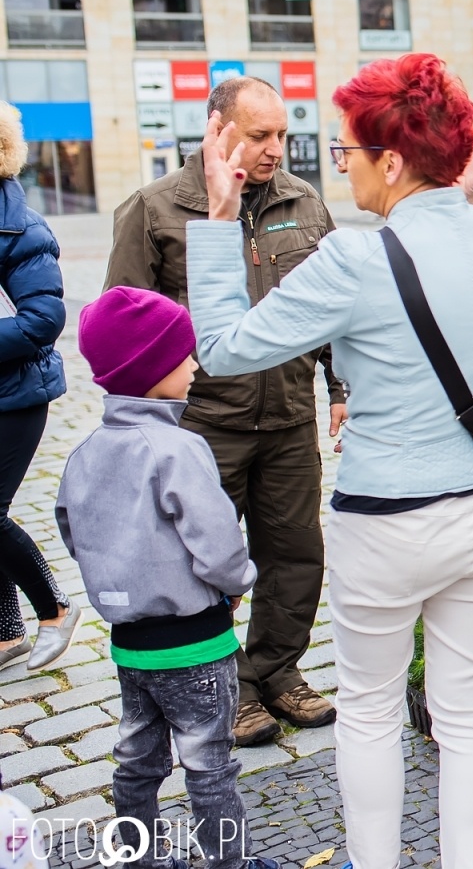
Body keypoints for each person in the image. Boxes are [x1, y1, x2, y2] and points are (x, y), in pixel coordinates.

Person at [185, 53, 473, 869]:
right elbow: (450, 245)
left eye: (345, 153)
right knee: (464, 710)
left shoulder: (354, 261)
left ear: (390, 161)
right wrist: (456, 198)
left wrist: (214, 216)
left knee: (374, 712)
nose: (339, 169)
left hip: (388, 526)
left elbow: (222, 348)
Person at [104, 77, 346, 746]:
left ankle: (276, 672)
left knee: (296, 554)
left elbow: (333, 308)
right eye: (260, 135)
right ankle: (229, 687)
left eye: (283, 135)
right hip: (203, 426)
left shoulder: (303, 201)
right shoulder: (156, 209)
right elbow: (122, 324)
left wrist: (341, 387)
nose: (276, 149)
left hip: (290, 416)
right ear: (219, 129)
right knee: (205, 565)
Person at [60, 287, 274, 869]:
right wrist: (236, 582)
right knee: (210, 761)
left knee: (137, 757)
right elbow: (217, 540)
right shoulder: (177, 447)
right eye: (184, 357)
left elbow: (72, 530)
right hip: (195, 641)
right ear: (154, 372)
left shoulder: (85, 453)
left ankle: (136, 857)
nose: (196, 366)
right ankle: (229, 862)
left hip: (131, 645)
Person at [0, 103, 81, 672]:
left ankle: (53, 607)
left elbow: (42, 321)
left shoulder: (22, 227)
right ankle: (6, 633)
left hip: (16, 396)